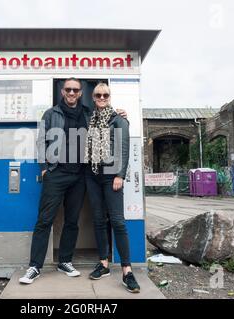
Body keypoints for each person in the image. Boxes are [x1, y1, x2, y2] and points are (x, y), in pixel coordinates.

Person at [19, 78, 127, 284]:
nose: (71, 92)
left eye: (75, 90)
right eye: (68, 89)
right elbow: (41, 141)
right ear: (62, 91)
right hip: (56, 173)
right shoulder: (51, 114)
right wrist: (44, 169)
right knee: (44, 220)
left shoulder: (89, 114)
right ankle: (34, 266)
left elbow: (108, 123)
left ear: (80, 93)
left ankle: (65, 261)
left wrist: (121, 115)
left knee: (72, 221)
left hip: (80, 175)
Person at [84, 83, 140, 293]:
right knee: (98, 220)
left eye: (105, 94)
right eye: (98, 94)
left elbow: (124, 149)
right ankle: (104, 264)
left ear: (110, 96)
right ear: (93, 96)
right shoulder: (89, 118)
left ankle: (127, 270)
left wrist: (120, 175)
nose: (101, 97)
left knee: (117, 221)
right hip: (92, 175)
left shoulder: (119, 119)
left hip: (111, 176)